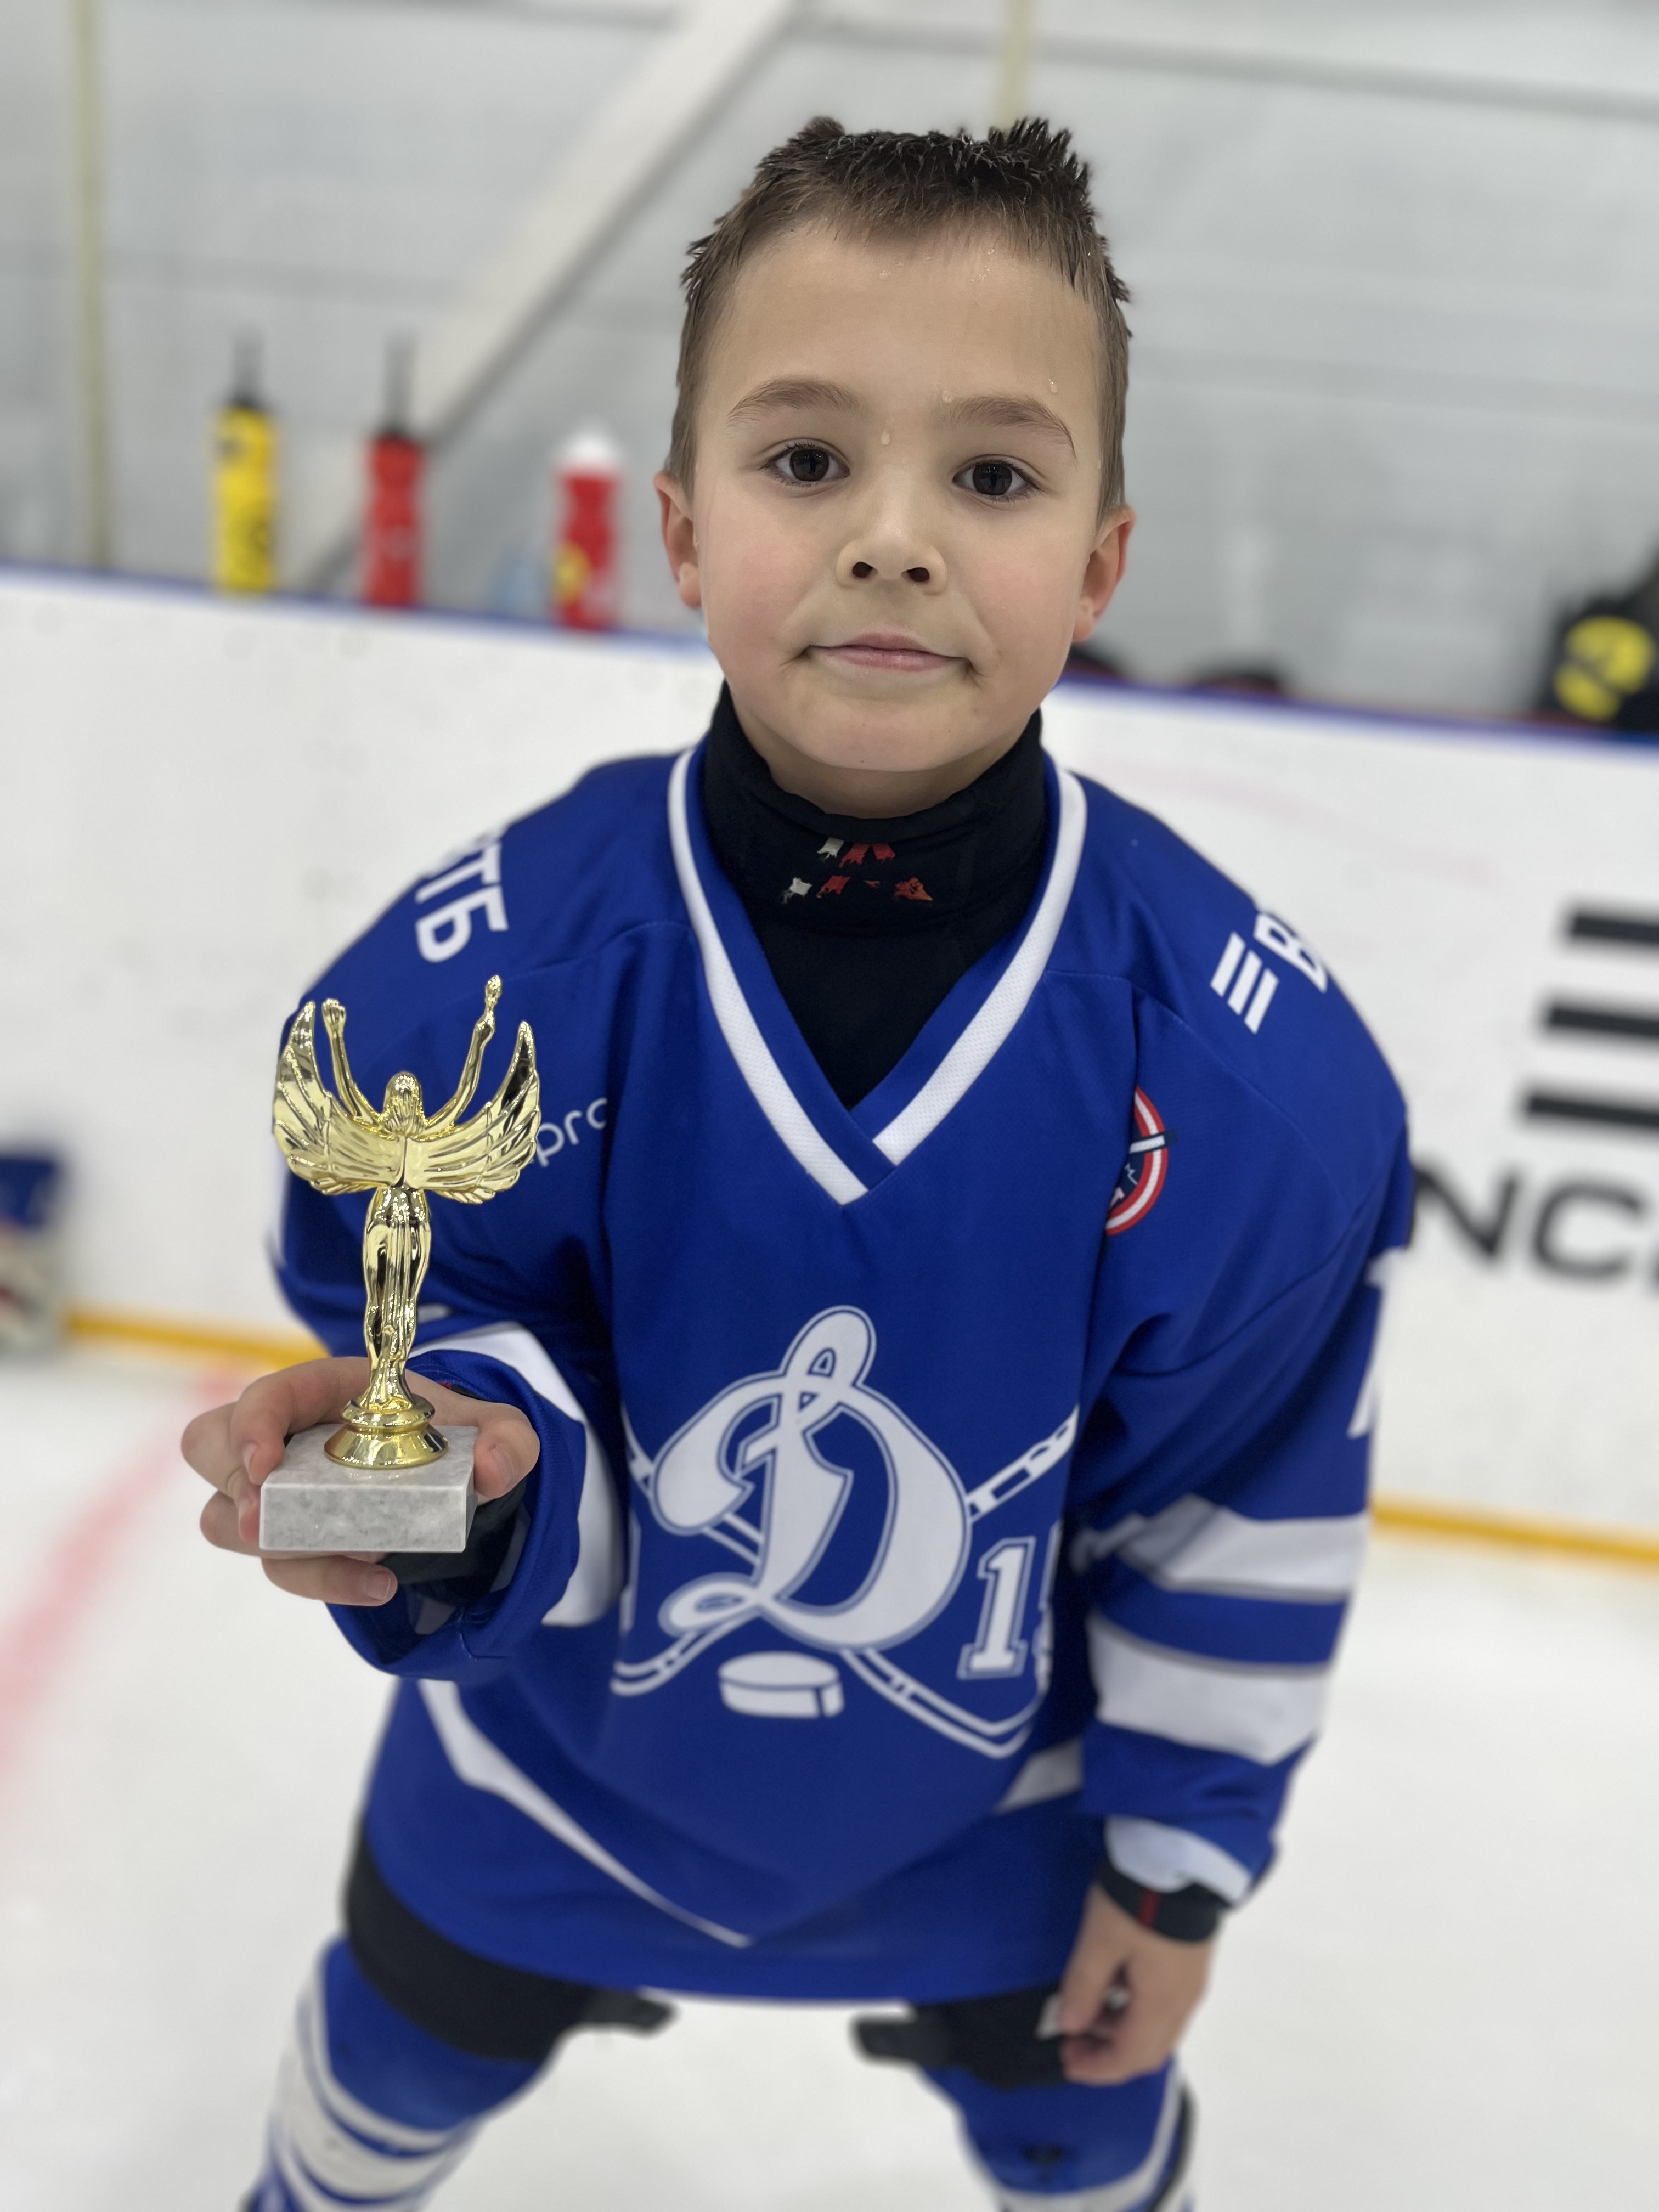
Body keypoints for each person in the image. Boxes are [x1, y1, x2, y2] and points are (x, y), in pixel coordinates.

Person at [185, 118, 1410, 2212]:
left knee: (1084, 2138)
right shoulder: (473, 988)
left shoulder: (1256, 1083)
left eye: (995, 478)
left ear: (1102, 565)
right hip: (554, 1773)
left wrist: (1177, 1871)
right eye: (809, 458)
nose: (896, 541)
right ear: (681, 528)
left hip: (1001, 1820)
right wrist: (468, 1485)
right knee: (385, 2062)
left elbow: (1242, 1503)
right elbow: (443, 1328)